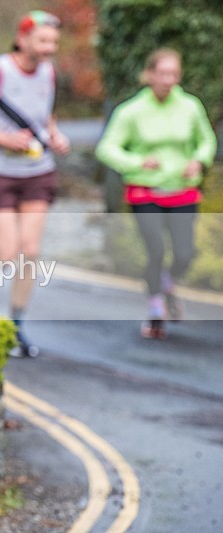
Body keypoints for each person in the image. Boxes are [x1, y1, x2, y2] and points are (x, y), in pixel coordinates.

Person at [0, 10, 71, 357]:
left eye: (54, 42)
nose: (49, 48)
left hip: (38, 170)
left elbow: (46, 115)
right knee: (6, 253)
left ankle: (16, 326)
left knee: (30, 251)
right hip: (1, 171)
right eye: (43, 40)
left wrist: (55, 135)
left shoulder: (49, 72)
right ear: (23, 39)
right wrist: (6, 140)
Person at [95, 48, 217, 339]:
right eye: (162, 73)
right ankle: (155, 310)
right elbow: (106, 148)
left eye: (173, 74)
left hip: (181, 188)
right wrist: (137, 162)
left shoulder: (190, 106)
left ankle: (167, 283)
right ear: (149, 75)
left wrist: (199, 160)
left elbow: (207, 140)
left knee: (185, 253)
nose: (168, 80)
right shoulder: (131, 111)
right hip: (145, 190)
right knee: (156, 251)